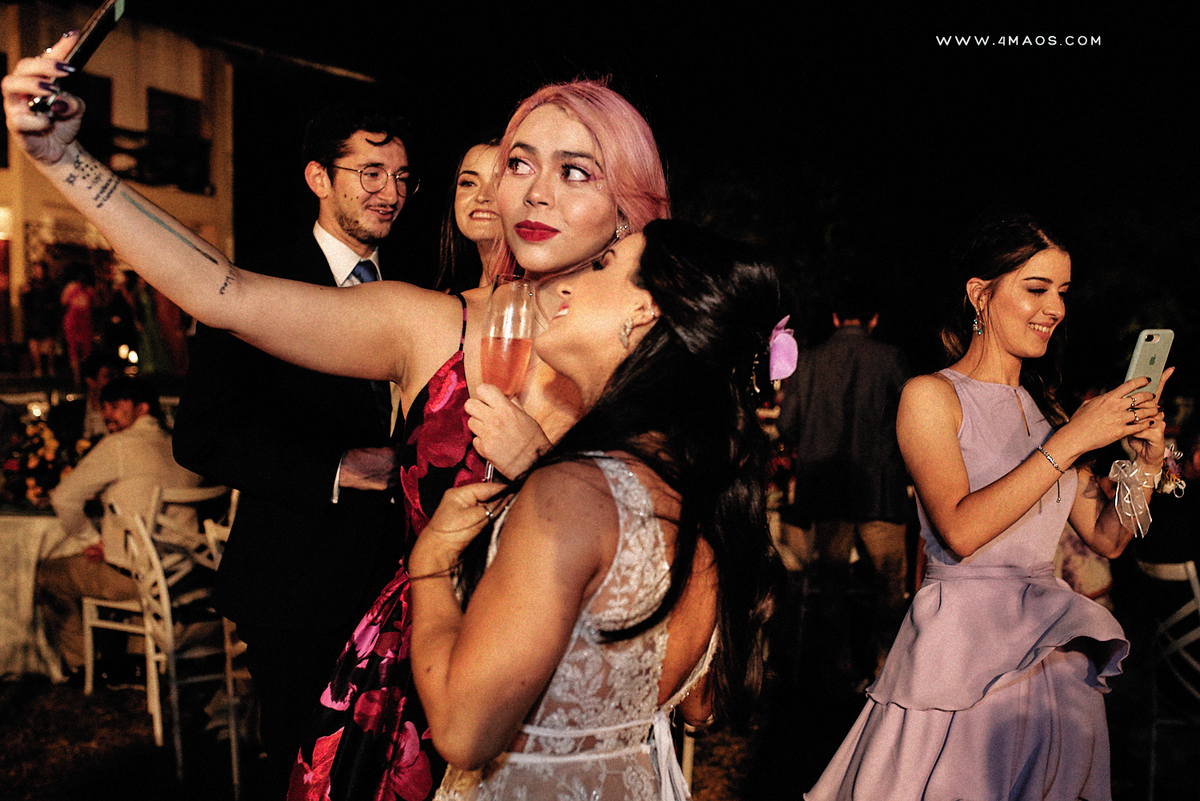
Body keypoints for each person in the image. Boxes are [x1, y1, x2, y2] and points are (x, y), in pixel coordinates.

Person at [5, 46, 670, 801]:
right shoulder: (430, 322)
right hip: (423, 689)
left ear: (629, 201)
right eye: (519, 164)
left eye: (575, 171)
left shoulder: (662, 350)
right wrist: (64, 161)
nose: (535, 192)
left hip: (584, 712)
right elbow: (224, 293)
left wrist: (543, 469)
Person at [409, 219, 784, 800]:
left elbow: (464, 731)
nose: (566, 284)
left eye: (602, 265)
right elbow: (698, 706)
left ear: (646, 310)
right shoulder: (704, 493)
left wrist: (430, 567)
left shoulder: (572, 492)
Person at [806, 214, 1173, 800]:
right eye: (1037, 289)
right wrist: (1072, 441)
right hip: (960, 652)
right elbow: (960, 529)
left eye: (1063, 292)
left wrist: (1147, 464)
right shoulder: (931, 396)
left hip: (1049, 652)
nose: (1055, 308)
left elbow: (1109, 537)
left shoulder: (1048, 412)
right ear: (981, 294)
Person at [170, 102, 415, 795]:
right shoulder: (258, 284)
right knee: (304, 770)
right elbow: (201, 435)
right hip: (296, 584)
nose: (391, 192)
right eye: (371, 171)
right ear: (318, 177)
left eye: (402, 176)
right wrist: (335, 469)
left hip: (403, 586)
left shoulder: (418, 285)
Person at [777, 289, 911, 688]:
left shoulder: (810, 360)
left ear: (836, 318)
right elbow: (913, 419)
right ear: (874, 319)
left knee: (831, 584)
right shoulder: (892, 358)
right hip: (880, 490)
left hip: (827, 490)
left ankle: (835, 671)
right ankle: (883, 667)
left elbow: (786, 425)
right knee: (889, 585)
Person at [37, 375, 202, 679]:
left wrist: (89, 539)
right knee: (128, 557)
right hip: (186, 572)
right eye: (103, 407)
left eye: (115, 406)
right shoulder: (180, 445)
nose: (106, 414)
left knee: (47, 575)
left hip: (139, 578)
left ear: (142, 408)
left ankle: (83, 664)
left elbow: (63, 499)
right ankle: (137, 658)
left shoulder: (119, 446)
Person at [437, 140, 504, 292]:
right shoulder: (449, 293)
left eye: (500, 183)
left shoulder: (541, 295)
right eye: (469, 183)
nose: (482, 196)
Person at [59, 261, 96, 387]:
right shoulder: (71, 288)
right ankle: (77, 379)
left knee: (86, 350)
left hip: (85, 322)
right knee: (74, 349)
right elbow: (63, 302)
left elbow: (94, 304)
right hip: (73, 321)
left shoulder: (89, 290)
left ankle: (84, 378)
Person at [21, 261, 60, 377]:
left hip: (47, 317)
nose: (38, 272)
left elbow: (56, 301)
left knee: (49, 343)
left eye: (40, 269)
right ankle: (38, 368)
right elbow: (25, 301)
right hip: (33, 317)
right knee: (34, 343)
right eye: (36, 269)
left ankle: (50, 367)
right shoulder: (30, 284)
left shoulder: (51, 284)